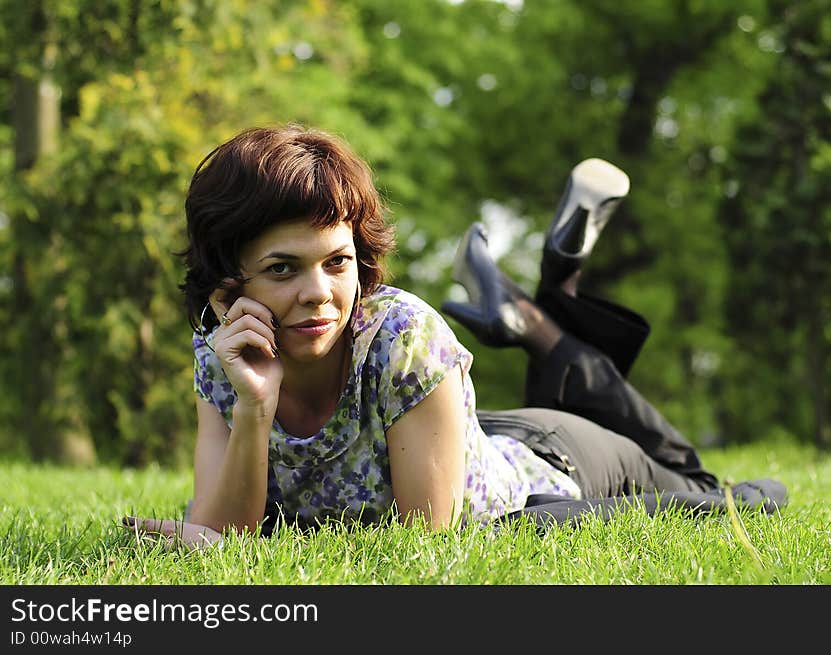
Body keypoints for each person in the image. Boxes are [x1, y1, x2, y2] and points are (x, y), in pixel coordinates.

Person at [123, 123, 785, 549]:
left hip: (553, 470)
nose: (319, 293)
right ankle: (542, 310)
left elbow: (424, 547)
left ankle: (543, 319)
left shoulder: (405, 336)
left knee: (716, 493)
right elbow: (222, 536)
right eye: (281, 268)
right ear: (226, 290)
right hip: (470, 432)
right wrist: (254, 407)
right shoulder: (224, 356)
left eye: (337, 261)